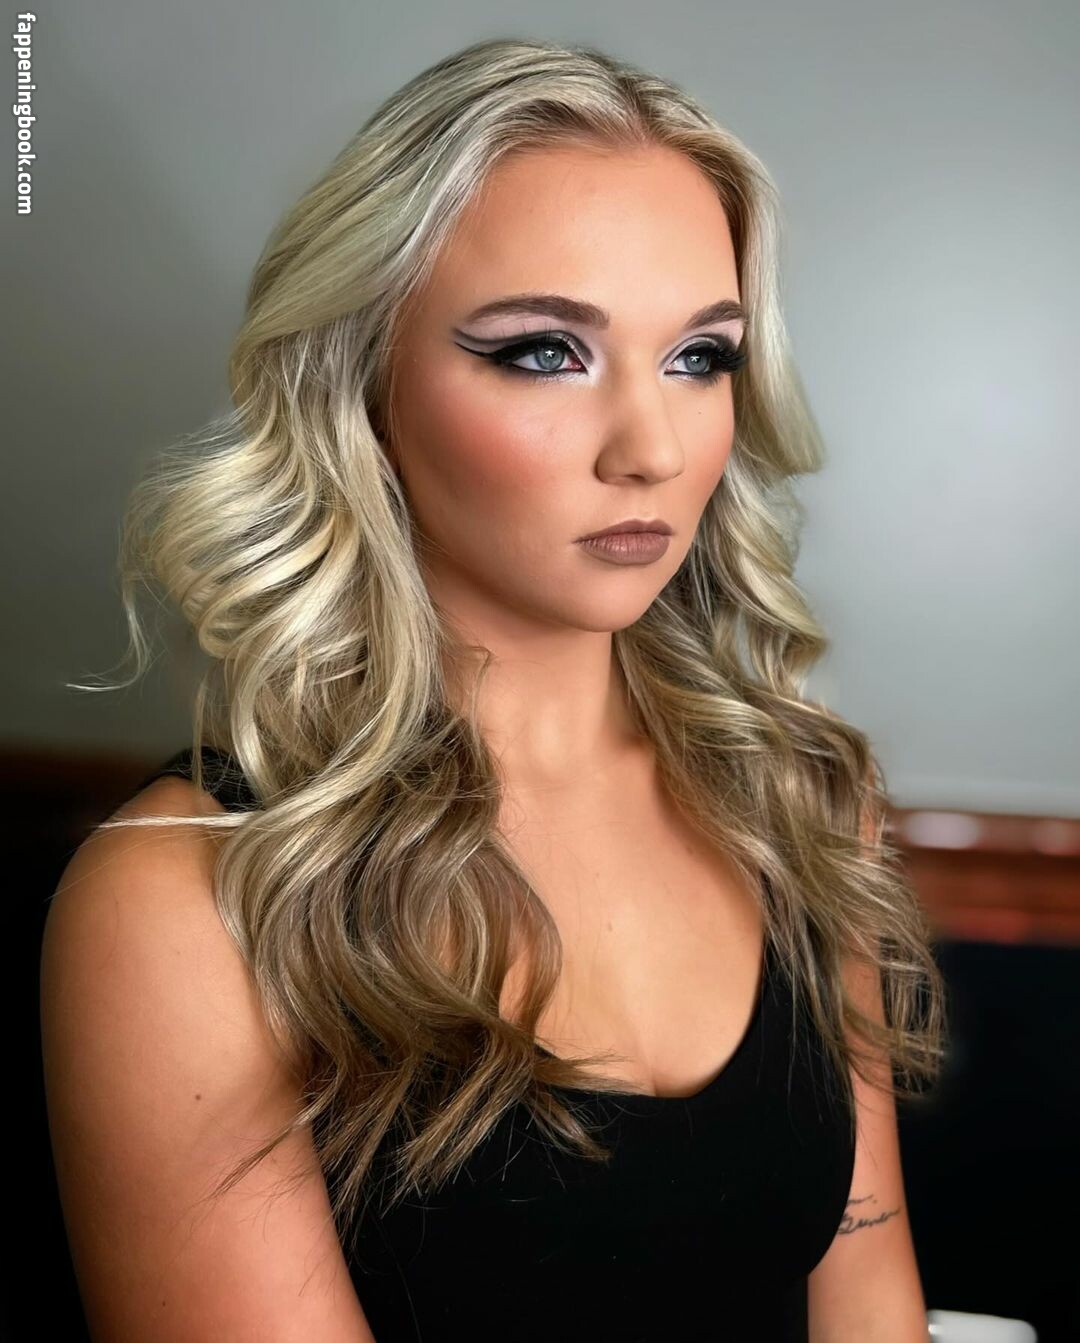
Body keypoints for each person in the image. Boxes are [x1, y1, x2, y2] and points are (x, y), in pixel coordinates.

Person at [41, 36, 945, 1343]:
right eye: (544, 353)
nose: (650, 448)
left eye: (700, 357)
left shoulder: (801, 805)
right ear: (362, 377)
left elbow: (868, 1308)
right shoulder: (183, 903)